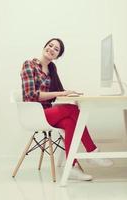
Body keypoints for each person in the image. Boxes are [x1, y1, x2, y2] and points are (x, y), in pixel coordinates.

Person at [21, 38, 113, 181]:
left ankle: (72, 168)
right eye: (50, 45)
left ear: (57, 56)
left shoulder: (52, 68)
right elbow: (31, 95)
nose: (51, 49)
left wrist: (71, 94)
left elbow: (59, 90)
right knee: (72, 110)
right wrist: (60, 94)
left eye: (56, 49)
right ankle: (92, 151)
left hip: (47, 113)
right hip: (34, 114)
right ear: (44, 46)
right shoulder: (29, 65)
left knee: (70, 122)